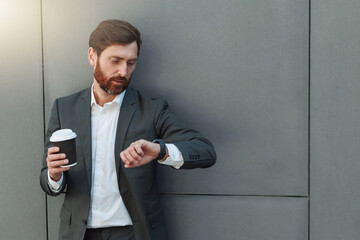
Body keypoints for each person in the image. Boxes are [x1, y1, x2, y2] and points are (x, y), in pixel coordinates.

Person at [40, 19, 216, 240]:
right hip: (79, 234)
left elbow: (205, 151)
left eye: (131, 63)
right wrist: (54, 176)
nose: (123, 71)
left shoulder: (151, 109)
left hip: (134, 233)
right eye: (116, 61)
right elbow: (46, 178)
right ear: (92, 56)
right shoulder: (64, 108)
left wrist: (160, 150)